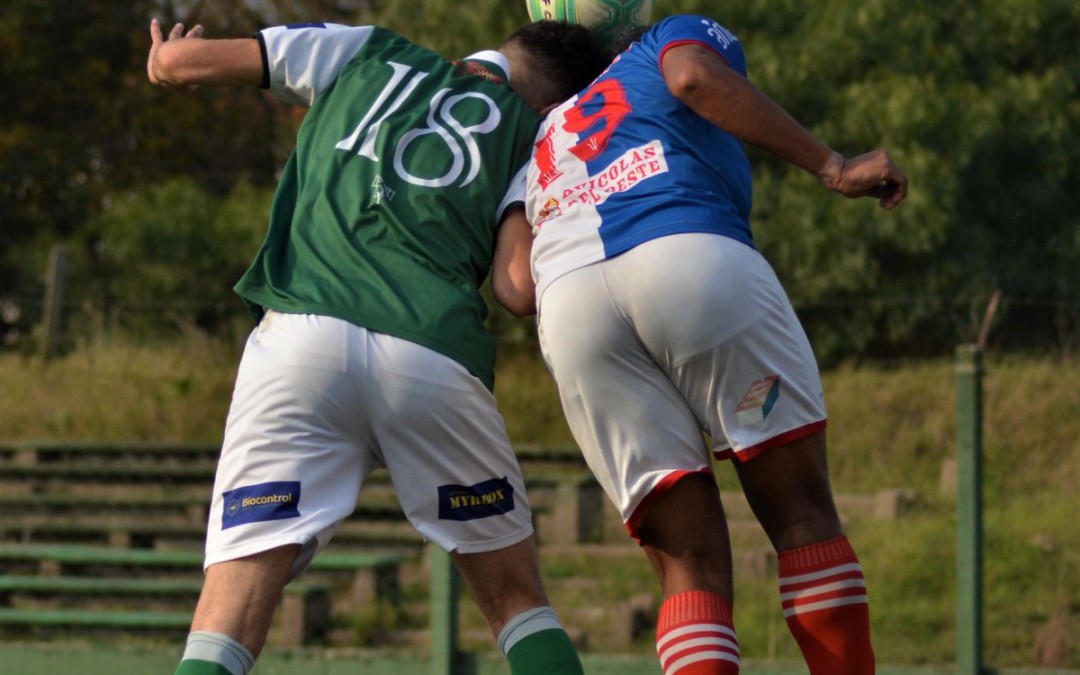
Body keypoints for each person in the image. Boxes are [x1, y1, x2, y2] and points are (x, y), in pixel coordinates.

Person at [146, 16, 609, 675]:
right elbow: (514, 287)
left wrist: (166, 59)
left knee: (230, 604)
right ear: (554, 101)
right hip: (432, 360)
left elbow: (187, 64)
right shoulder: (540, 135)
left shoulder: (364, 48)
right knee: (515, 601)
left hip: (299, 347)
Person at [525, 14, 908, 675]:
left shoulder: (540, 133)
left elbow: (511, 283)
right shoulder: (664, 39)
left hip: (568, 305)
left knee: (688, 564)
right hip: (688, 256)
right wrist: (834, 165)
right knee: (801, 518)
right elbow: (693, 75)